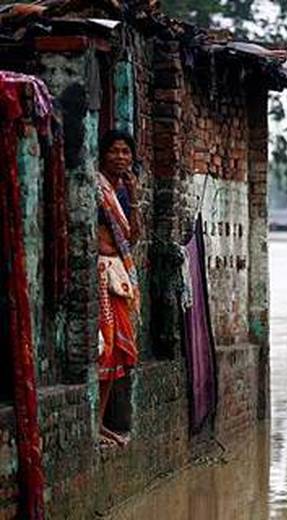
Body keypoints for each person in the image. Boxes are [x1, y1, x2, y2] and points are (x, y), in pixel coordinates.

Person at [96, 130, 142, 447]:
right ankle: (95, 422)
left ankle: (99, 423)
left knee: (118, 354)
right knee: (104, 349)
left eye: (126, 152)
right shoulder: (96, 189)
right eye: (115, 151)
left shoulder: (123, 192)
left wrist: (136, 199)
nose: (121, 157)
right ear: (103, 154)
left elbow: (133, 238)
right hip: (100, 273)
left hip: (118, 275)